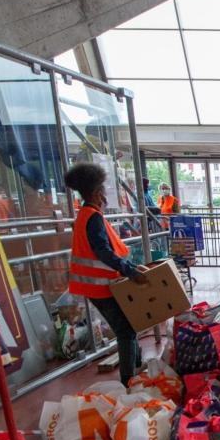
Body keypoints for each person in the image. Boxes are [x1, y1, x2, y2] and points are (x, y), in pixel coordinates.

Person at [64, 162, 148, 385]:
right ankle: (128, 379)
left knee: (129, 322)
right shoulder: (92, 218)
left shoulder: (85, 215)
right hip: (101, 286)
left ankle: (137, 366)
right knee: (126, 329)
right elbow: (103, 252)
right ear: (96, 193)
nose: (105, 196)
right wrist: (131, 272)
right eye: (103, 191)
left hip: (97, 285)